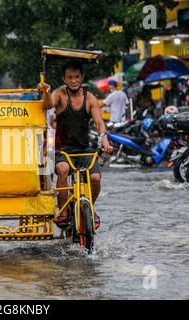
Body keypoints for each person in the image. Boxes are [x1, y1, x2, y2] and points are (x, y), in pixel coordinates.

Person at [39, 60, 113, 228]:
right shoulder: (59, 94)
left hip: (85, 150)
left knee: (95, 178)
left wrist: (104, 140)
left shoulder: (90, 98)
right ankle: (64, 213)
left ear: (82, 77)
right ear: (64, 79)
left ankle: (90, 209)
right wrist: (46, 92)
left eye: (77, 77)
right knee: (63, 170)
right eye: (70, 77)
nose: (74, 81)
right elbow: (48, 104)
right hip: (63, 150)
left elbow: (99, 123)